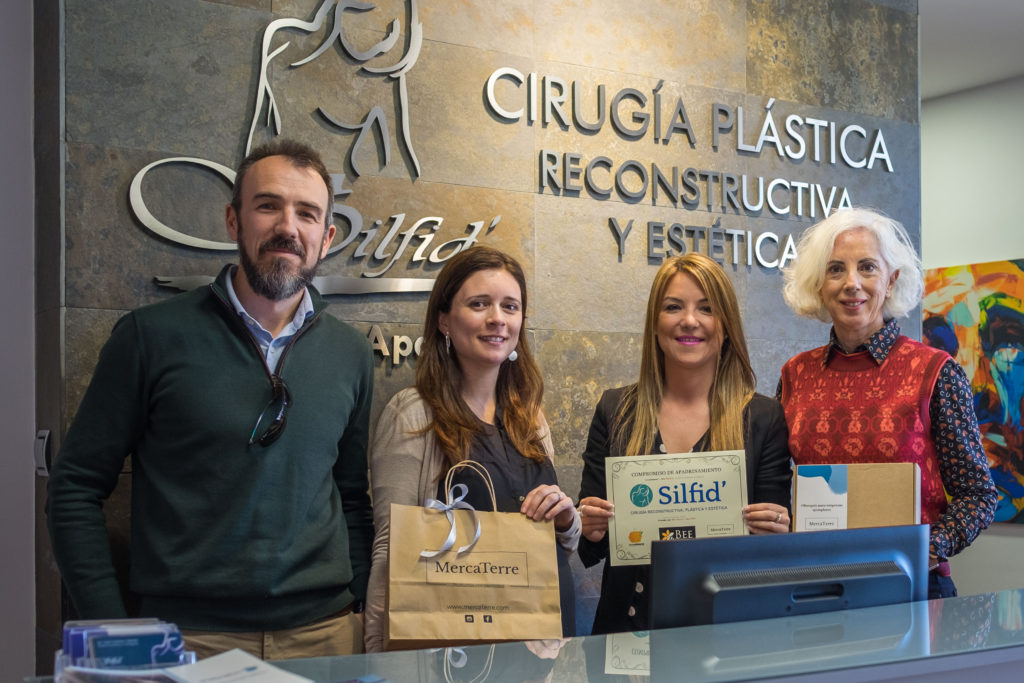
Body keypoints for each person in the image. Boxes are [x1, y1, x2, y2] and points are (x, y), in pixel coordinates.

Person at [46, 139, 375, 659]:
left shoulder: (351, 352)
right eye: (268, 206)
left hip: (325, 637)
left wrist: (356, 604)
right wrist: (114, 629)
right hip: (190, 640)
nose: (288, 227)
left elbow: (352, 495)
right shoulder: (149, 337)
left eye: (307, 213)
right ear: (233, 221)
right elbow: (75, 489)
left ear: (326, 235)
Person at [364, 246, 581, 651]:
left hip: (544, 645)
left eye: (510, 306)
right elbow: (390, 551)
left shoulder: (530, 418)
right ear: (444, 320)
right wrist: (380, 659)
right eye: (479, 304)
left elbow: (559, 544)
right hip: (457, 654)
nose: (497, 318)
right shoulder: (413, 414)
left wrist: (567, 521)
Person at [778, 207, 998, 598]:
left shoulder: (934, 371)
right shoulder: (795, 375)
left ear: (891, 280)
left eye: (867, 267)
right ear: (818, 283)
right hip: (815, 586)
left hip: (911, 585)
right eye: (835, 270)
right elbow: (779, 486)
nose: (851, 284)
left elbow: (977, 495)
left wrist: (923, 550)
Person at [578, 253, 792, 635]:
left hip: (728, 634)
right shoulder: (615, 410)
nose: (689, 320)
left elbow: (772, 556)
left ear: (726, 325)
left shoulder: (763, 417)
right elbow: (591, 545)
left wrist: (777, 531)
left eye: (706, 309)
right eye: (673, 307)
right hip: (625, 633)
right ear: (655, 324)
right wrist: (589, 526)